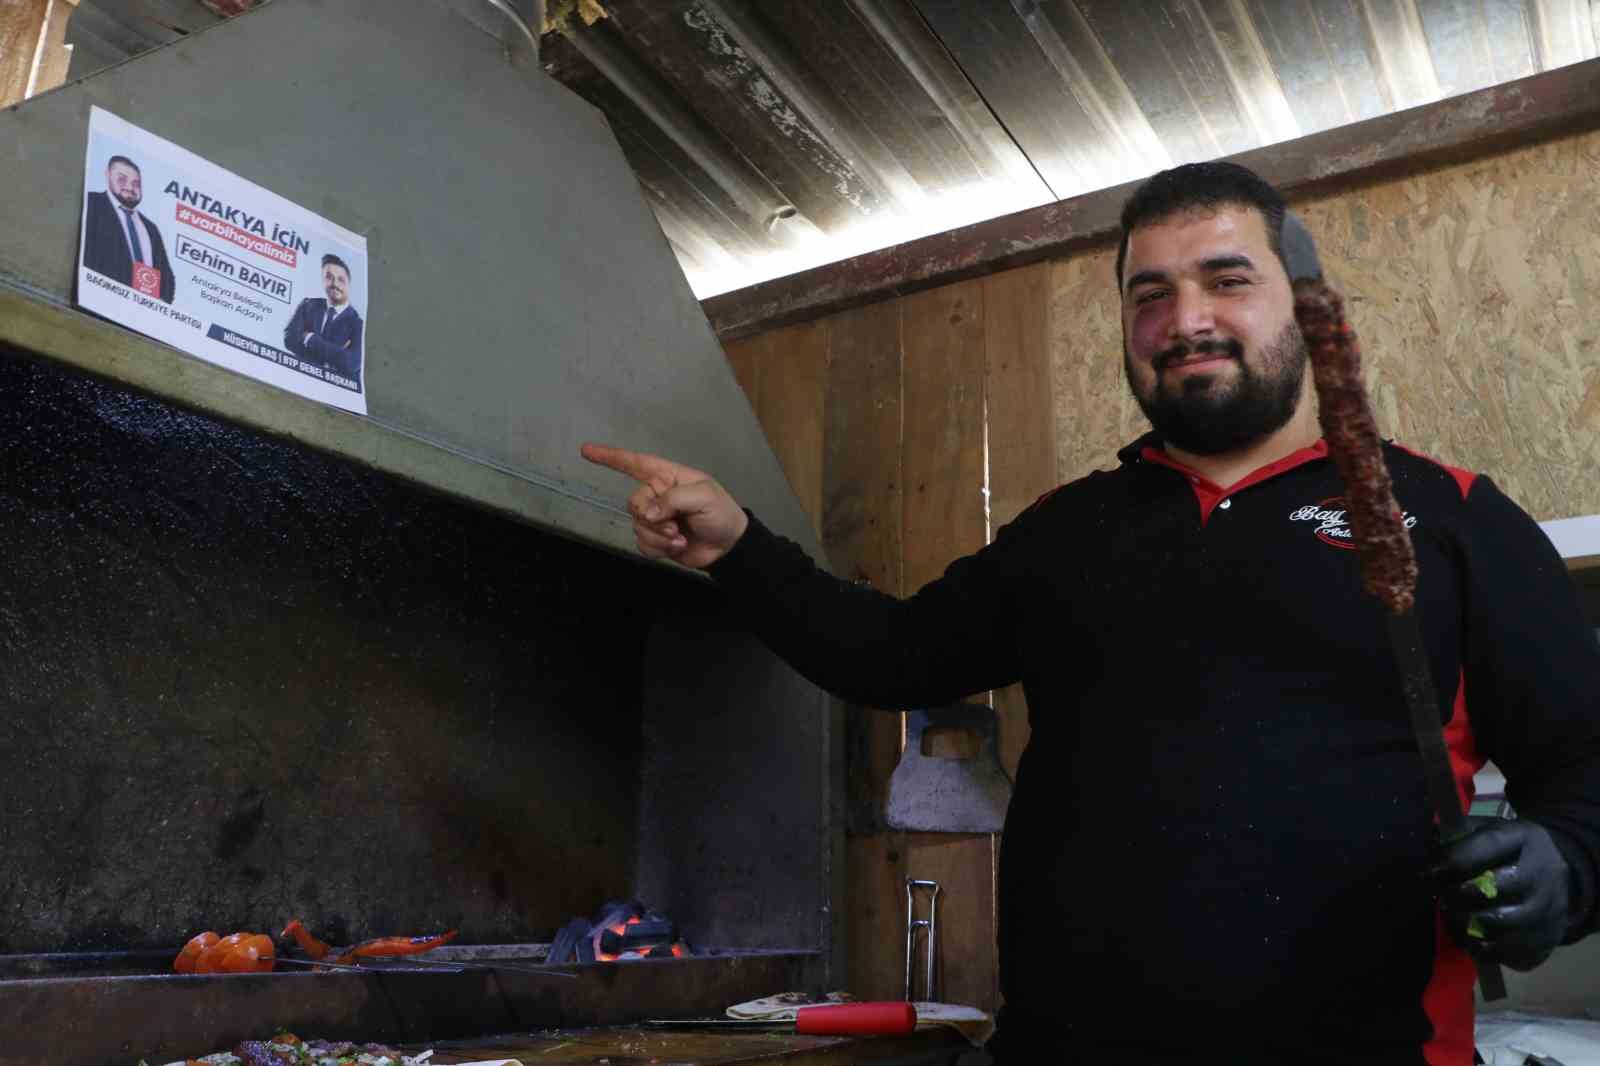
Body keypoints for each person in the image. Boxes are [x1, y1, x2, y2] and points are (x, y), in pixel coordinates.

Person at [582, 162, 1600, 1065]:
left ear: (1305, 304)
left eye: (1226, 279)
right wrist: (735, 545)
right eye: (1147, 292)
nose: (1184, 317)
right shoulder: (1066, 531)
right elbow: (888, 657)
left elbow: (1586, 768)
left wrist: (1563, 866)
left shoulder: (1453, 517)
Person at [82, 155, 176, 303]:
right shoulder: (91, 203)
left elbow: (167, 278)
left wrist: (158, 307)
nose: (130, 187)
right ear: (108, 175)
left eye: (136, 183)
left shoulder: (151, 228)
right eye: (122, 179)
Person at [284, 254, 363, 385]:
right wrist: (336, 353)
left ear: (349, 284)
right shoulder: (307, 305)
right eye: (329, 278)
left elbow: (351, 363)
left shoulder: (357, 323)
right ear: (322, 280)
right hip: (299, 379)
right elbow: (289, 339)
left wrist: (310, 338)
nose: (334, 284)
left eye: (341, 280)